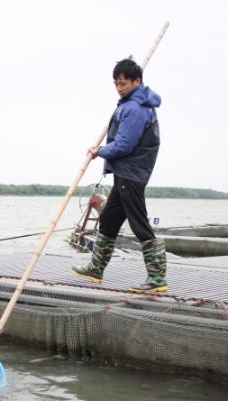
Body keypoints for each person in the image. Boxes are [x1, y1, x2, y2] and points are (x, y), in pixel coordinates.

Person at [70, 57, 167, 293]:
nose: (119, 88)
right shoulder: (130, 104)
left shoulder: (135, 108)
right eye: (116, 83)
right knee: (109, 221)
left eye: (123, 83)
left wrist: (98, 151)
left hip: (131, 174)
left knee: (139, 223)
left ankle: (157, 279)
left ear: (137, 81)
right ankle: (96, 269)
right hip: (125, 174)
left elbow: (124, 144)